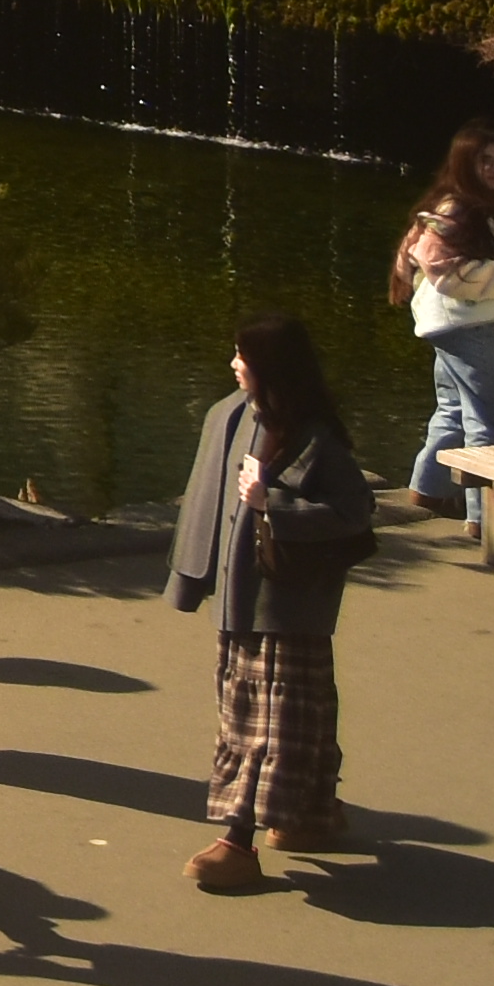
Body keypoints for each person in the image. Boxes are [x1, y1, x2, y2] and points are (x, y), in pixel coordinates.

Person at [169, 309, 374, 891]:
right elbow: (205, 502)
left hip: (290, 606)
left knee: (268, 727)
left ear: (271, 368)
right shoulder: (227, 416)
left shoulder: (315, 435)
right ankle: (310, 814)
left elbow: (355, 513)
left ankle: (237, 841)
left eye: (244, 356)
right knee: (275, 715)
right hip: (239, 606)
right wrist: (191, 581)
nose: (234, 364)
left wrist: (272, 503)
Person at [395, 120, 494, 512]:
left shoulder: (464, 207)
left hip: (450, 324)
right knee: (488, 419)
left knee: (454, 411)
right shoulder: (456, 208)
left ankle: (429, 489)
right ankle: (485, 515)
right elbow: (442, 269)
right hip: (462, 324)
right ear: (464, 164)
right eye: (484, 161)